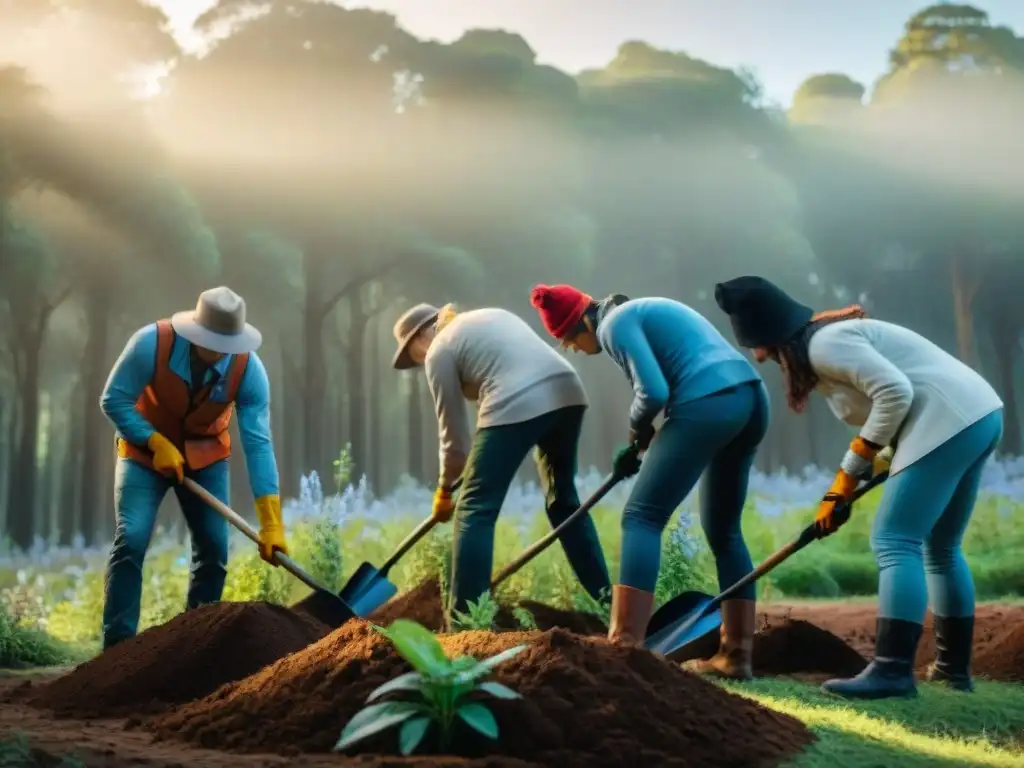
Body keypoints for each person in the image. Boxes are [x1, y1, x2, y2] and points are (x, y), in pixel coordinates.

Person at [715, 275, 1004, 699]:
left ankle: (891, 671)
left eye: (760, 345)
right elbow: (897, 409)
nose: (759, 357)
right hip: (977, 414)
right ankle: (952, 672)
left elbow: (894, 392)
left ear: (776, 336)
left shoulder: (825, 345)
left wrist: (845, 479)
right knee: (940, 548)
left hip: (950, 420)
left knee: (893, 539)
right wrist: (862, 476)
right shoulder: (829, 344)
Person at [530, 284, 769, 678]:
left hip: (708, 400)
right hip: (750, 398)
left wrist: (635, 425)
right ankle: (737, 655)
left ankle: (624, 647)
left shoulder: (613, 325)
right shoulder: (641, 311)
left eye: (568, 339)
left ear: (581, 324)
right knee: (724, 532)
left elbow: (653, 392)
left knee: (640, 517)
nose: (572, 348)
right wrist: (643, 436)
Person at [391, 302, 612, 626]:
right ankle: (610, 602)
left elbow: (454, 437)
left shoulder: (438, 350)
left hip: (518, 398)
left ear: (420, 338)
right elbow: (490, 395)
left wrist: (445, 490)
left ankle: (467, 620)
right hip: (568, 391)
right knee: (564, 503)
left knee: (474, 507)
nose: (420, 363)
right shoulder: (483, 320)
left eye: (414, 356)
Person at [99, 286, 287, 650]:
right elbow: (114, 399)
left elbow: (258, 444)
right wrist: (153, 441)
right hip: (143, 455)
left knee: (215, 550)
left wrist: (271, 522)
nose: (220, 351)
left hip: (206, 458)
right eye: (211, 340)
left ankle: (194, 648)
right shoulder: (151, 343)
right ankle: (117, 649)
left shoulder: (249, 369)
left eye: (227, 343)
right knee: (132, 539)